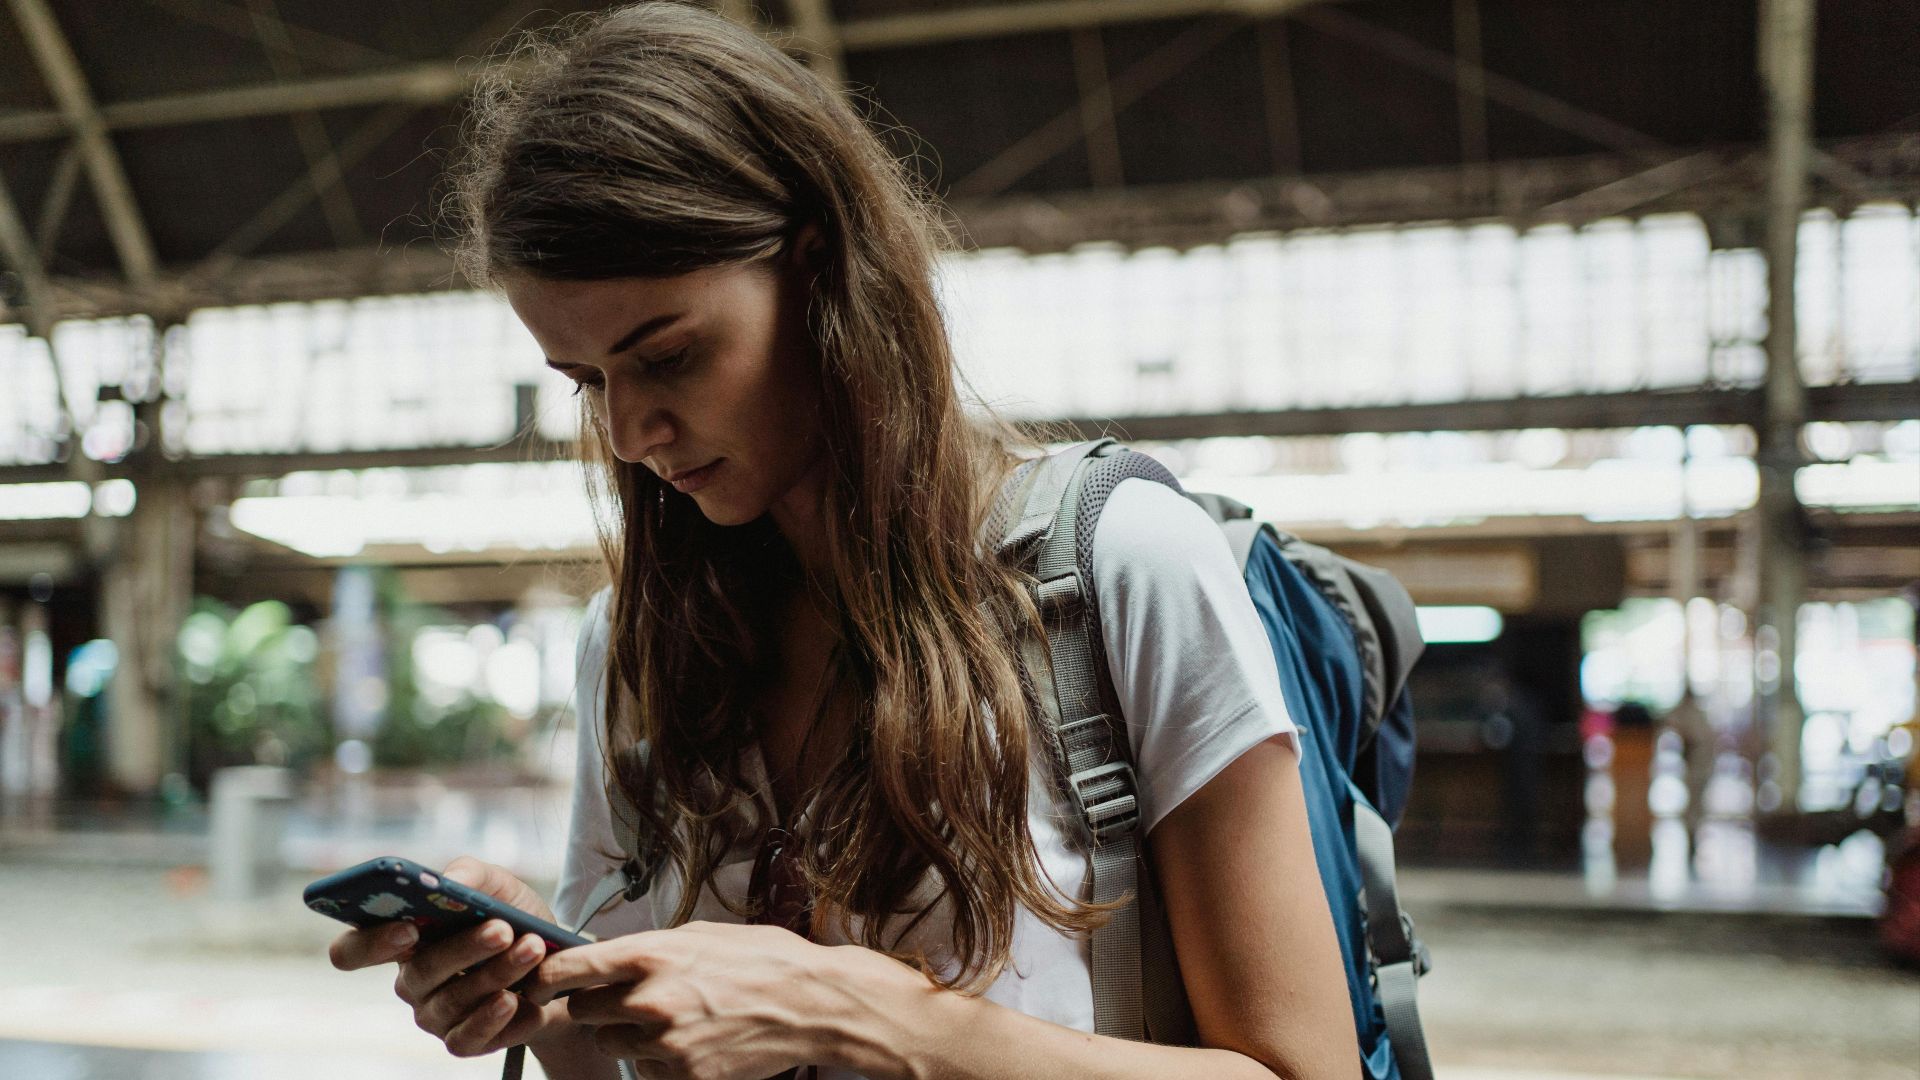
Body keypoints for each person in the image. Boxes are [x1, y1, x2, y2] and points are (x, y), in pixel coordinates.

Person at [325, 4, 1353, 1078]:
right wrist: (549, 997)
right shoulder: (629, 647)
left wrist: (868, 1016)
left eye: (669, 356)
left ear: (819, 271)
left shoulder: (1115, 567)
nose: (629, 435)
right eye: (589, 383)